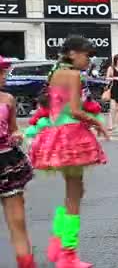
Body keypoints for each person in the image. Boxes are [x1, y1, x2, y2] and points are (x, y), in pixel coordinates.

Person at [27, 37, 108, 267]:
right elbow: (74, 110)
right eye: (86, 55)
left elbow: (56, 108)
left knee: (74, 191)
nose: (88, 60)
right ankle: (67, 254)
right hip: (71, 136)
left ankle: (58, 243)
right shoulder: (73, 75)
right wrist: (96, 122)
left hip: (54, 134)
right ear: (72, 53)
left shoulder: (56, 72)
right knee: (74, 194)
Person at [0, 56, 36, 268]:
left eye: (5, 71)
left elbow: (14, 127)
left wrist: (17, 135)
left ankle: (26, 263)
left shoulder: (8, 99)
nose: (5, 76)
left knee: (17, 221)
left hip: (7, 159)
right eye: (1, 72)